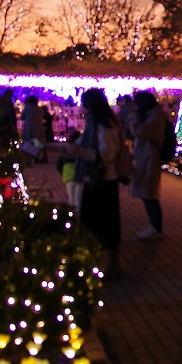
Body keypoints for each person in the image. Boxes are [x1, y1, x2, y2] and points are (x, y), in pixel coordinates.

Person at [63, 88, 125, 279]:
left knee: (103, 224)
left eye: (83, 103)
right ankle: (99, 264)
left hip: (104, 180)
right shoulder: (93, 125)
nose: (81, 107)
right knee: (95, 223)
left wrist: (80, 152)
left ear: (90, 105)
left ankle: (110, 266)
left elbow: (106, 155)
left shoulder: (103, 126)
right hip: (94, 180)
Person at [129, 91, 172, 240]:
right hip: (145, 156)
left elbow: (140, 132)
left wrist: (133, 118)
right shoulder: (152, 115)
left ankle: (156, 227)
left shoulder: (155, 117)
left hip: (150, 157)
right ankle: (153, 225)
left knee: (150, 193)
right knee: (147, 193)